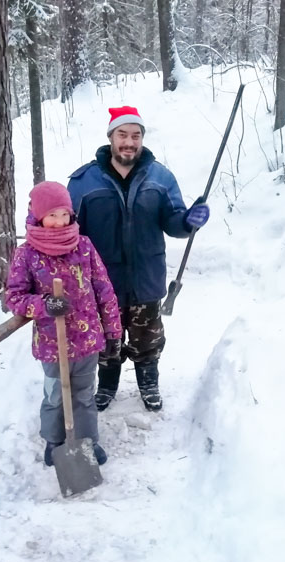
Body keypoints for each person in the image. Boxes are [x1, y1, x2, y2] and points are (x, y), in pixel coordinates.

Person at [67, 106, 210, 413]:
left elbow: (173, 221)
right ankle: (107, 384)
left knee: (148, 337)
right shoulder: (83, 181)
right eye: (123, 135)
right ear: (110, 138)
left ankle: (149, 383)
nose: (129, 142)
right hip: (102, 282)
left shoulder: (160, 178)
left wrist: (188, 221)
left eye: (136, 135)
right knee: (107, 341)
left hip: (146, 277)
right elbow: (70, 231)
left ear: (142, 140)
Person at [5, 181, 122, 467]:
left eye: (64, 214)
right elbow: (14, 297)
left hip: (87, 341)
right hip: (51, 343)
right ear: (38, 215)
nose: (59, 222)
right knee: (56, 394)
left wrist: (113, 328)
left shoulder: (83, 245)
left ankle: (88, 441)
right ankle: (55, 440)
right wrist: (45, 305)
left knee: (83, 395)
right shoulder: (27, 254)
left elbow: (102, 287)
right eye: (52, 215)